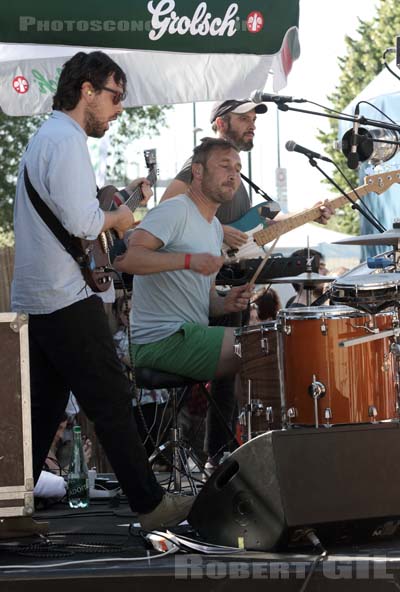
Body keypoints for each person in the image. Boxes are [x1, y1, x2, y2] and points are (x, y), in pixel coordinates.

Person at [11, 50, 193, 530]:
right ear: (87, 89)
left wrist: (114, 207)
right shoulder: (67, 140)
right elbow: (81, 222)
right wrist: (118, 217)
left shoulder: (44, 139)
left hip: (38, 297)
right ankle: (151, 505)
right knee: (112, 399)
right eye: (115, 97)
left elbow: (70, 219)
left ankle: (8, 507)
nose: (118, 110)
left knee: (37, 414)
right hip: (63, 296)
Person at [161, 99, 334, 467]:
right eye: (244, 118)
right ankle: (191, 453)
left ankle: (217, 454)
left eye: (254, 118)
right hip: (203, 284)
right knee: (209, 371)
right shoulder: (199, 166)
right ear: (221, 124)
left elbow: (265, 219)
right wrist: (216, 227)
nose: (252, 124)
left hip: (229, 282)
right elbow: (168, 207)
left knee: (230, 371)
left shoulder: (239, 177)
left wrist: (313, 213)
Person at [114, 138, 253, 465]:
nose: (233, 174)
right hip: (160, 341)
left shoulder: (213, 228)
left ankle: (232, 453)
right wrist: (188, 261)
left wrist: (226, 302)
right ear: (198, 172)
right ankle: (245, 454)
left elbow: (205, 304)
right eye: (224, 166)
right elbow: (128, 261)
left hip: (188, 334)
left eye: (237, 169)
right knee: (261, 348)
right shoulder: (175, 211)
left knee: (264, 345)